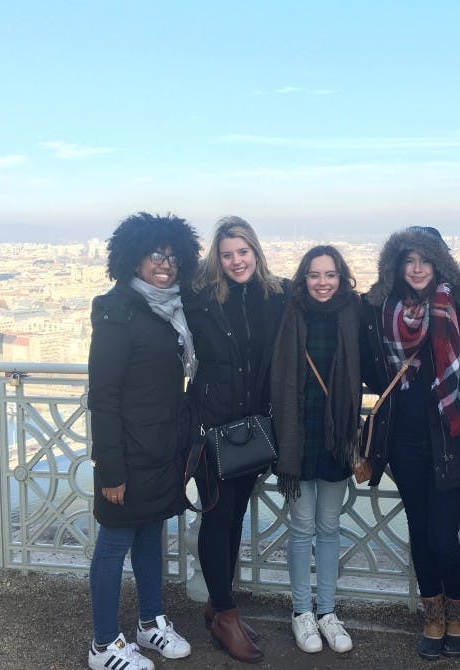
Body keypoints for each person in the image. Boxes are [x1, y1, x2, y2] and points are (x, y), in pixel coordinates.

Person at [359, 226, 460, 660]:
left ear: (440, 264)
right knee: (419, 530)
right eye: (409, 260)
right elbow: (370, 369)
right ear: (396, 265)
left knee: (441, 536)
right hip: (404, 437)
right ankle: (433, 614)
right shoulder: (379, 309)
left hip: (451, 436)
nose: (417, 269)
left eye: (426, 260)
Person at [87, 212, 201, 670]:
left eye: (173, 256)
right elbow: (104, 394)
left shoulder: (171, 308)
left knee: (151, 536)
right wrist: (110, 467)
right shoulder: (116, 310)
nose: (166, 264)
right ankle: (102, 644)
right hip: (128, 453)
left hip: (162, 449)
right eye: (156, 254)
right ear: (132, 256)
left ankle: (150, 622)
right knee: (114, 545)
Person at [183, 215, 288, 663]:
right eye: (226, 254)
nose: (235, 261)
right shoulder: (200, 298)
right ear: (216, 258)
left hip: (254, 428)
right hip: (212, 428)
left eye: (242, 252)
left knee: (234, 517)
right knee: (216, 517)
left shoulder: (276, 296)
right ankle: (226, 615)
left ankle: (216, 604)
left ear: (256, 252)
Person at [270, 245, 361, 654]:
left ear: (341, 277)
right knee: (301, 527)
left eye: (329, 274)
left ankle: (327, 611)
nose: (322, 283)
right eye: (314, 275)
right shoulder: (289, 312)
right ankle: (300, 613)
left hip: (337, 436)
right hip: (297, 434)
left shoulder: (354, 313)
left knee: (329, 529)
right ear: (302, 278)